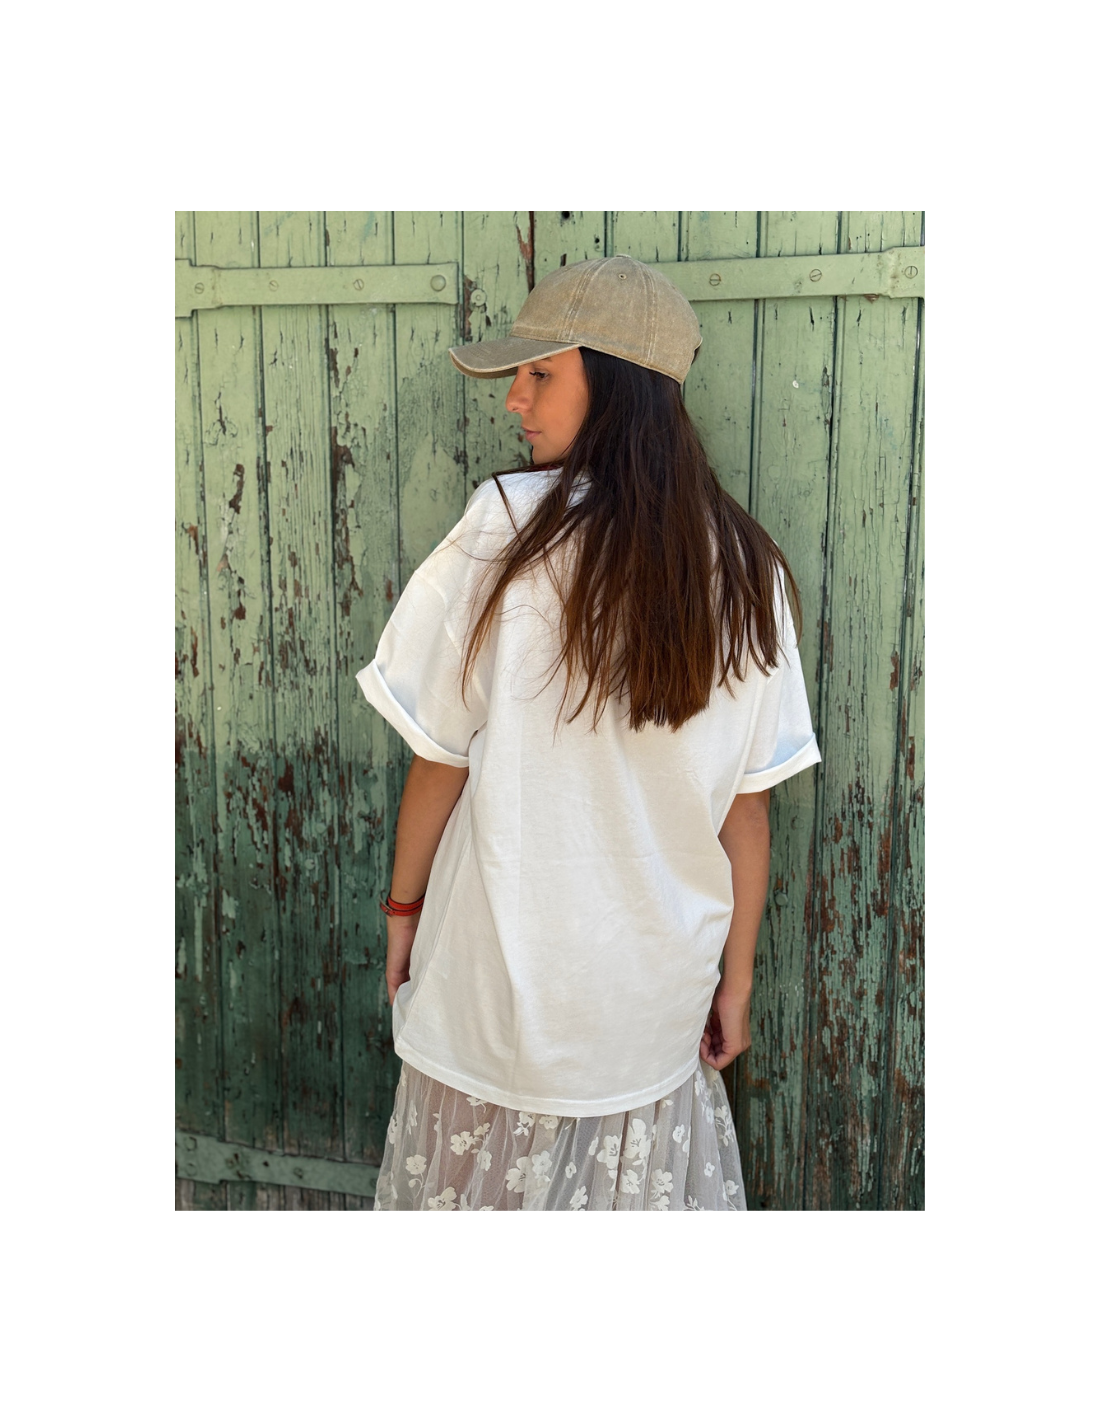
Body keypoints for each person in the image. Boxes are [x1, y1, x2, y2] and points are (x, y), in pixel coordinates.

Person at [357, 254, 820, 1211]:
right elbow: (747, 811)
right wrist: (735, 985)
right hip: (649, 1007)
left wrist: (402, 916)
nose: (514, 400)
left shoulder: (503, 528)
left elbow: (439, 762)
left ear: (615, 386)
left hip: (494, 990)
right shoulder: (746, 568)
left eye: (541, 373)